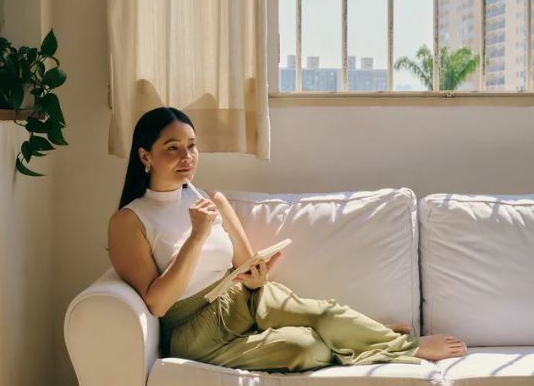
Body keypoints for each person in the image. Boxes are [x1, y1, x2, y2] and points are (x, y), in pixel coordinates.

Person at [108, 107, 467, 373]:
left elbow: (246, 265)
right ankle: (360, 337)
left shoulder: (211, 198)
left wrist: (257, 275)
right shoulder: (129, 221)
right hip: (195, 329)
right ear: (145, 156)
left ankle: (401, 345)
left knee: (324, 312)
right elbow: (156, 304)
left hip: (240, 295)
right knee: (305, 349)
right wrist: (196, 239)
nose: (187, 157)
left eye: (192, 145)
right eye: (173, 147)